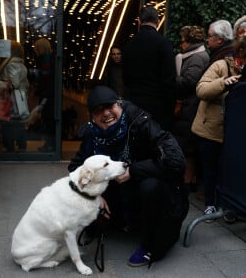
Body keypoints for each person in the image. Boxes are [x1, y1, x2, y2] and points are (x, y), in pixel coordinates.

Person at [68, 85, 189, 267]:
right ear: (92, 117)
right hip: (119, 193)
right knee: (84, 182)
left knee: (150, 186)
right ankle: (101, 225)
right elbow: (75, 169)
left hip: (152, 189)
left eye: (110, 106)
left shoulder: (141, 122)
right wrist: (95, 195)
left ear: (119, 105)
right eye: (99, 111)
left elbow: (176, 162)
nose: (106, 113)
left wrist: (133, 170)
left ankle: (150, 243)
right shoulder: (92, 133)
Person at [191, 33, 246, 221]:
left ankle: (228, 207)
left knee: (231, 172)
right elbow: (201, 90)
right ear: (242, 53)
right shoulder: (221, 66)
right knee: (210, 170)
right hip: (211, 130)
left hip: (237, 133)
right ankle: (210, 204)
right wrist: (223, 83)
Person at [123, 6, 176, 131]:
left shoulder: (129, 44)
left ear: (139, 22)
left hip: (134, 104)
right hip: (158, 108)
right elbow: (169, 79)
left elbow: (125, 78)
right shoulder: (164, 43)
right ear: (158, 22)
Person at [172, 26, 209, 192]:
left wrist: (171, 78)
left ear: (190, 42)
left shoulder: (197, 58)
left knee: (188, 148)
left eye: (183, 41)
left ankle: (187, 181)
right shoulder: (193, 56)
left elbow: (188, 82)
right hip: (187, 107)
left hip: (190, 107)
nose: (181, 45)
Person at [0, 41, 29, 152]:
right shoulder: (21, 64)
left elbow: (15, 84)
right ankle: (21, 144)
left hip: (13, 98)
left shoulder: (11, 64)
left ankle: (11, 146)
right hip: (20, 97)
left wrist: (0, 83)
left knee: (9, 123)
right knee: (18, 123)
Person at [33, 38, 55, 152]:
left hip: (47, 95)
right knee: (48, 119)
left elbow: (45, 79)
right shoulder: (49, 59)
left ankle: (50, 145)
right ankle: (49, 144)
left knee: (48, 119)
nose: (35, 50)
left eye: (36, 47)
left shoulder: (46, 60)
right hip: (49, 94)